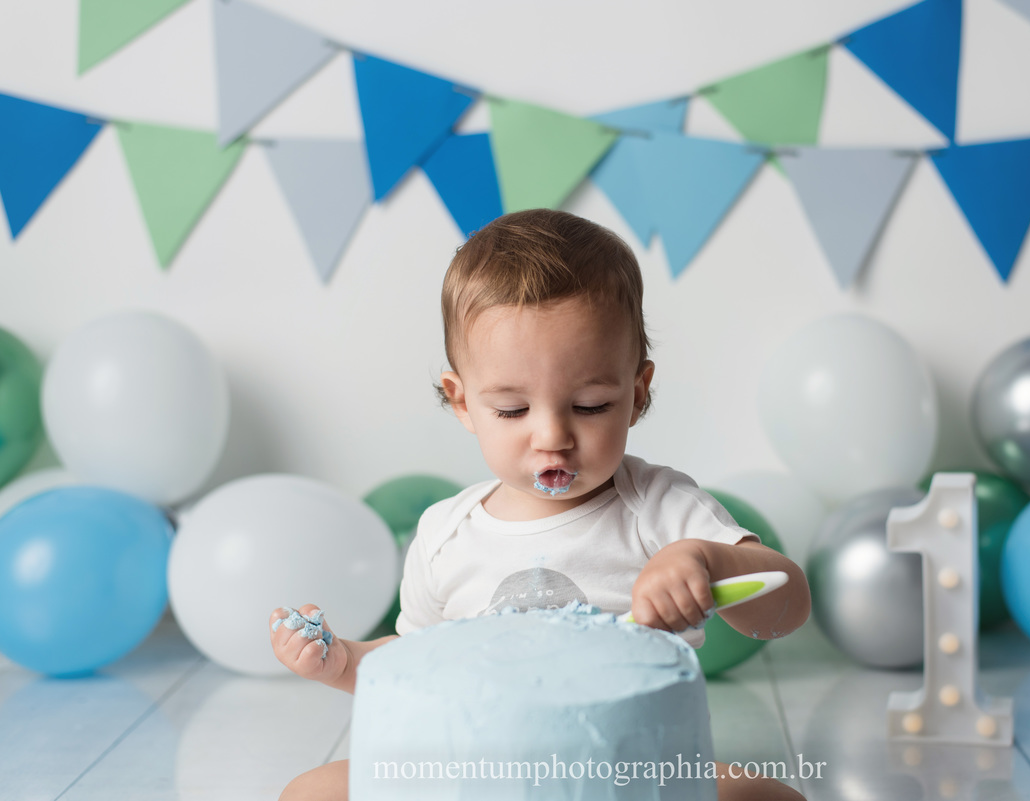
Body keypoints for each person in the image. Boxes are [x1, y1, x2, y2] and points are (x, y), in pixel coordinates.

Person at [270, 209, 811, 800]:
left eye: (590, 405)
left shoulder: (658, 506)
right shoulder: (447, 533)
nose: (552, 435)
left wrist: (707, 561)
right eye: (512, 411)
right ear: (461, 401)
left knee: (770, 798)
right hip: (470, 779)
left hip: (624, 780)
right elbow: (418, 662)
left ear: (637, 392)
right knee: (311, 791)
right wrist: (344, 662)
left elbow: (788, 606)